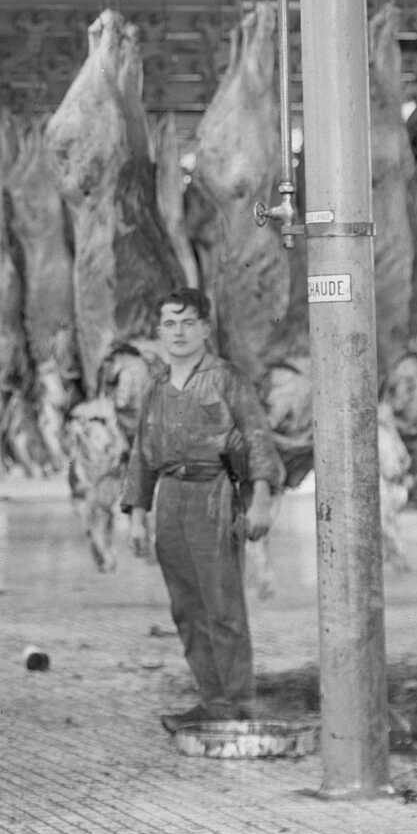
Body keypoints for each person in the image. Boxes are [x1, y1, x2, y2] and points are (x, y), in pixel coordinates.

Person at [121, 288, 284, 730]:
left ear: (205, 329)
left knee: (222, 605)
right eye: (169, 324)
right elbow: (141, 452)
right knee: (187, 607)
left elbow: (255, 437)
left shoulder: (226, 378)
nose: (178, 332)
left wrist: (262, 498)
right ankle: (212, 701)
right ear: (159, 332)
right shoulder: (156, 386)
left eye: (187, 323)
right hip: (170, 498)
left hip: (215, 493)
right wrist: (137, 516)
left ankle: (238, 704)